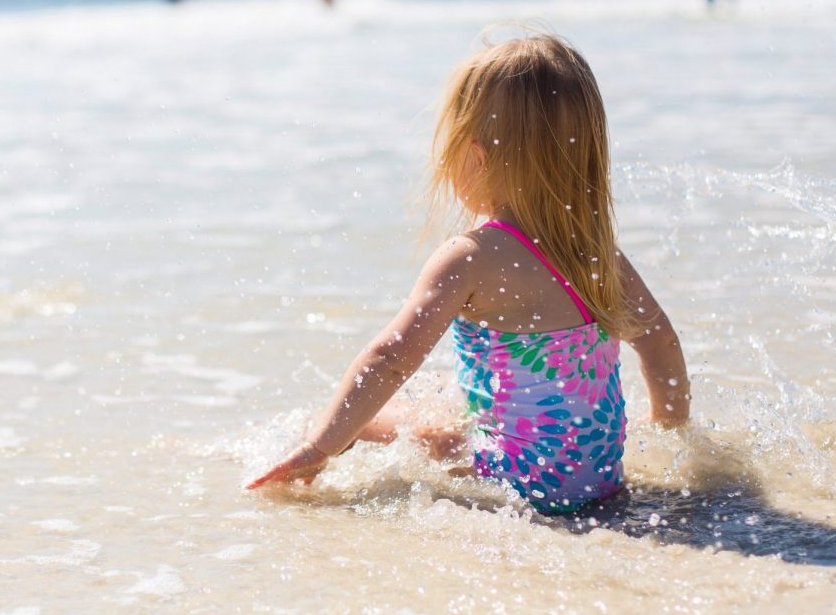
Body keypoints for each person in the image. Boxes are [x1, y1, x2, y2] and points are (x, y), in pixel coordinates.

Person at [246, 33, 691, 514]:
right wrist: (670, 432)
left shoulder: (471, 256)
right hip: (598, 483)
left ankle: (305, 453)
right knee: (444, 390)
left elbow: (390, 359)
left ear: (475, 157)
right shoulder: (600, 254)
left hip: (516, 484)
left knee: (362, 422)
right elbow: (659, 342)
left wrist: (322, 445)